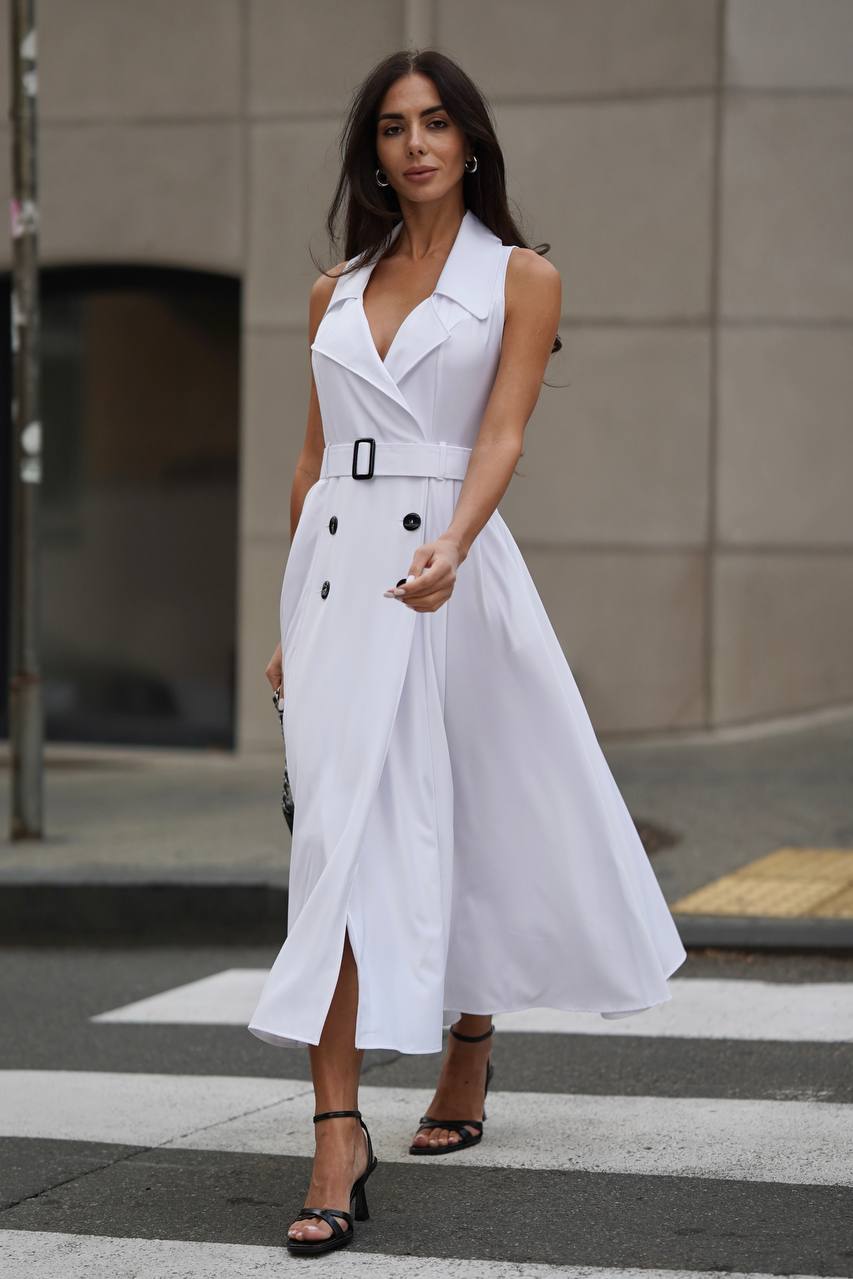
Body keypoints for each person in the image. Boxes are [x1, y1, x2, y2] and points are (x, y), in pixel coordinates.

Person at [249, 48, 688, 1256]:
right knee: (332, 847)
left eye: (436, 122)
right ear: (372, 152)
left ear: (471, 140)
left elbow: (501, 434)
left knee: (475, 809)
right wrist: (294, 620)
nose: (416, 144)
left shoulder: (523, 278)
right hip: (342, 581)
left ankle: (469, 1043)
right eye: (393, 127)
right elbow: (310, 463)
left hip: (452, 569)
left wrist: (452, 541)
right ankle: (338, 1131)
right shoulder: (333, 289)